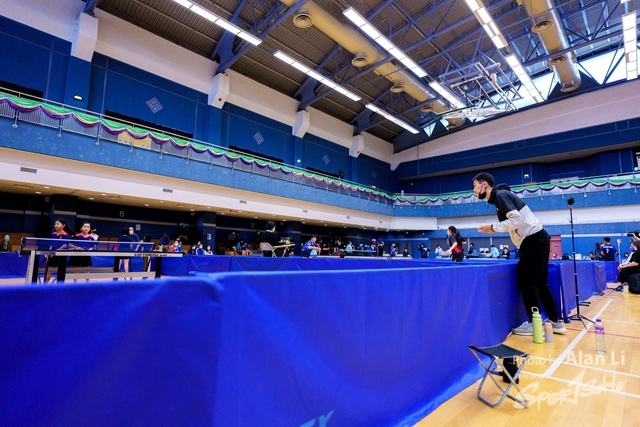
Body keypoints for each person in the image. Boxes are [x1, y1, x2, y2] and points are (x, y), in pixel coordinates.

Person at [473, 172, 566, 335]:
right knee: (540, 283)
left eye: (474, 186)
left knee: (528, 283)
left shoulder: (500, 195)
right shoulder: (500, 198)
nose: (473, 191)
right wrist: (494, 228)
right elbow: (514, 222)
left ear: (484, 185)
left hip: (532, 240)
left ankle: (533, 322)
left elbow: (516, 220)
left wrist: (493, 226)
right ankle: (555, 321)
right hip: (538, 238)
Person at [44, 219, 74, 283]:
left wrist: (56, 251)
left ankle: (59, 285)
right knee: (49, 270)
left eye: (58, 224)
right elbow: (51, 244)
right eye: (55, 224)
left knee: (60, 272)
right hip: (52, 254)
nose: (56, 225)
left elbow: (65, 245)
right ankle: (45, 285)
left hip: (61, 255)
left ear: (63, 225)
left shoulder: (65, 234)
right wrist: (48, 252)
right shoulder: (53, 234)